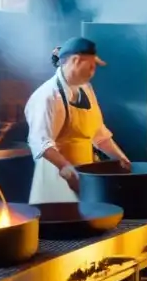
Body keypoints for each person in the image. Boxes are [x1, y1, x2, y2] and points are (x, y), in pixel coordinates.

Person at [25, 37, 131, 203]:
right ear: (75, 60)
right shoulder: (47, 96)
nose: (93, 71)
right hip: (56, 181)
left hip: (85, 178)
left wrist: (120, 158)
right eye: (90, 66)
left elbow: (99, 133)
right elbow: (41, 143)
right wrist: (67, 169)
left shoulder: (86, 89)